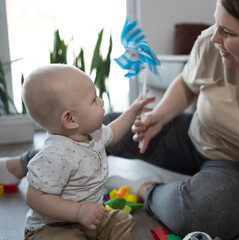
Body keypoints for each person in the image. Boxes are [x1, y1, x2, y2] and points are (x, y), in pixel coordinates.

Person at [1, 0, 239, 239]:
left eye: (229, 33)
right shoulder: (212, 42)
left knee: (200, 215)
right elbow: (188, 84)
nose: (213, 37)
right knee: (92, 127)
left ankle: (142, 186)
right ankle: (19, 166)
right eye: (216, 25)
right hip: (196, 135)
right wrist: (157, 117)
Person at [19, 64, 155, 240]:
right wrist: (78, 212)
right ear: (70, 119)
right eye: (94, 99)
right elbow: (35, 199)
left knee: (122, 221)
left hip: (89, 218)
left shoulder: (94, 134)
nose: (102, 102)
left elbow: (114, 132)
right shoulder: (55, 155)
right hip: (52, 227)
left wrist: (133, 110)